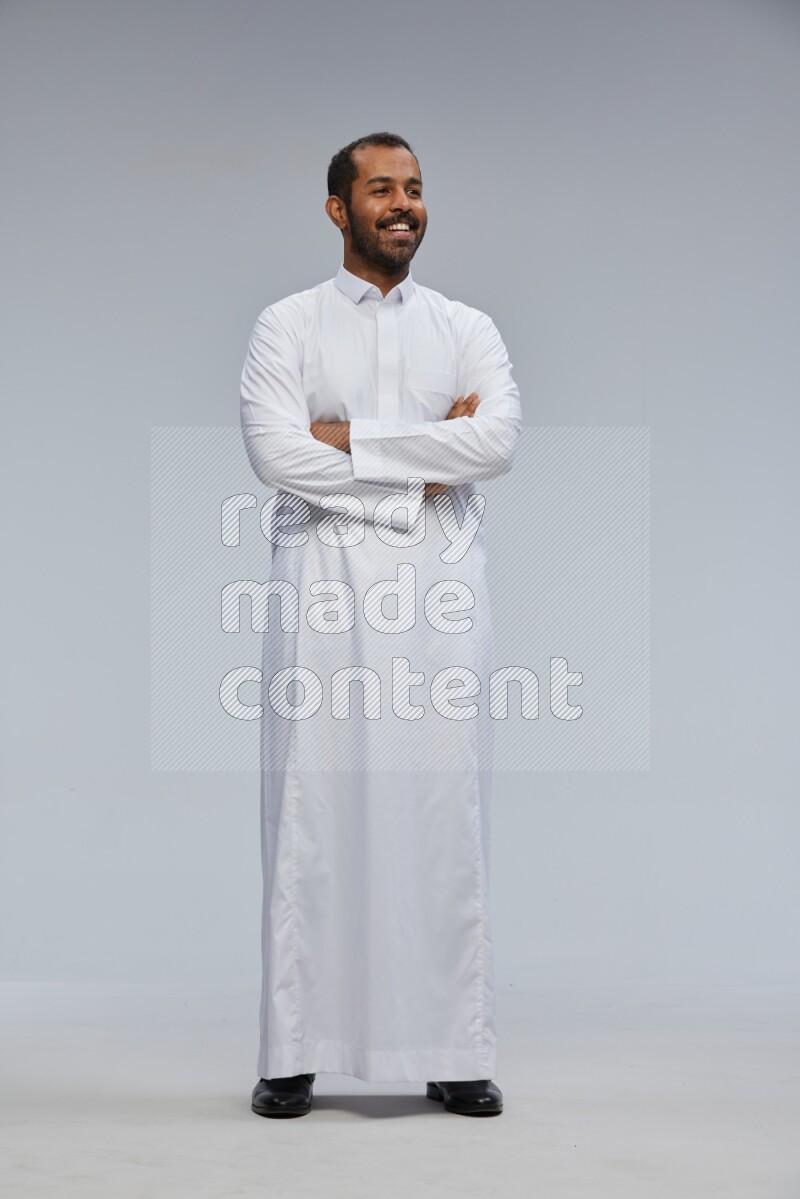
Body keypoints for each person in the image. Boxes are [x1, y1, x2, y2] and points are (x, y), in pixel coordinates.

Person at [239, 132, 522, 1118]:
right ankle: (293, 1051)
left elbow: (495, 440)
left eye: (414, 188)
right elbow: (276, 454)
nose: (402, 203)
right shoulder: (287, 325)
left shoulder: (466, 327)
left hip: (441, 598)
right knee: (312, 810)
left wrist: (346, 437)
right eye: (380, 189)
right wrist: (420, 467)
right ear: (338, 208)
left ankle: (453, 1048)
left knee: (444, 810)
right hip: (321, 592)